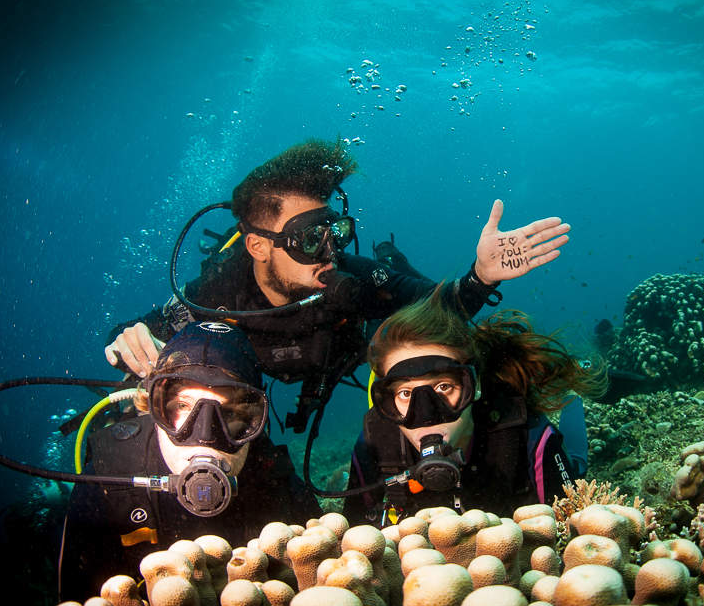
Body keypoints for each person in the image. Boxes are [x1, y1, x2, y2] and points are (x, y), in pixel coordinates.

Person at [104, 138, 570, 432]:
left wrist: (480, 276)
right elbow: (129, 338)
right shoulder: (215, 295)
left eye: (336, 233)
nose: (329, 251)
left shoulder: (352, 278)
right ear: (258, 246)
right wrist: (128, 343)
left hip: (345, 352)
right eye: (310, 238)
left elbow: (436, 308)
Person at [59, 321, 320, 601]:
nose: (204, 436)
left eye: (230, 413)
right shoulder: (108, 479)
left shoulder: (274, 482)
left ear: (255, 424)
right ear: (153, 409)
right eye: (183, 406)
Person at [343, 287, 605, 525]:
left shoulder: (525, 436)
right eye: (405, 393)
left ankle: (573, 400)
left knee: (577, 465)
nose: (426, 416)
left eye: (443, 387)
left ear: (473, 387)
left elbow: (566, 532)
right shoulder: (375, 443)